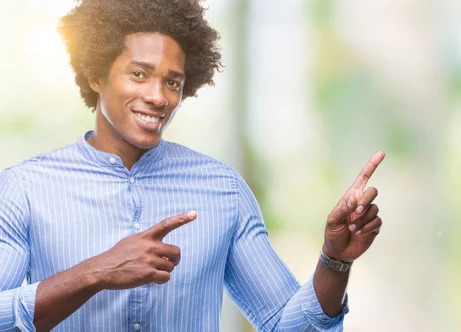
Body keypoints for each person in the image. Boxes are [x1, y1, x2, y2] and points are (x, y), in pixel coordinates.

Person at [0, 0, 385, 331]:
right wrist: (97, 272)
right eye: (138, 74)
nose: (157, 97)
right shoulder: (27, 188)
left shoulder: (221, 190)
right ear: (96, 75)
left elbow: (287, 326)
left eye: (173, 82)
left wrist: (334, 260)